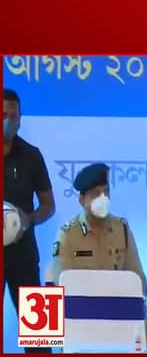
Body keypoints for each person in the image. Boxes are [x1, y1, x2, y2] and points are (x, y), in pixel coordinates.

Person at [52, 163, 147, 348]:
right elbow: (60, 290)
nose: (103, 198)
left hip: (119, 316)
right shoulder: (68, 235)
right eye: (95, 193)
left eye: (106, 191)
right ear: (82, 199)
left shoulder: (122, 229)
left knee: (144, 327)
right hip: (83, 320)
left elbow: (139, 281)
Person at [3, 88, 56, 354]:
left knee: (41, 340)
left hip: (23, 255)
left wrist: (29, 219)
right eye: (3, 115)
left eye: (13, 116)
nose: (8, 121)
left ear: (20, 119)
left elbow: (49, 205)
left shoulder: (32, 155)